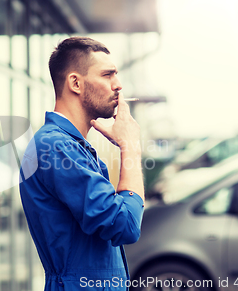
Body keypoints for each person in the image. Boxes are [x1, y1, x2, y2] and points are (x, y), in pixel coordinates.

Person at [19, 36, 145, 291]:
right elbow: (125, 225)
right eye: (108, 75)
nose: (118, 85)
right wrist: (130, 147)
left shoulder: (73, 146)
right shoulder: (56, 147)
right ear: (75, 83)